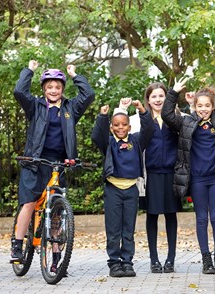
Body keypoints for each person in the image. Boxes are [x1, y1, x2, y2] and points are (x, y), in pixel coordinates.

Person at [11, 60, 95, 268]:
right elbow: (19, 91)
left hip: (58, 163)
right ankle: (17, 244)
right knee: (29, 203)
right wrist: (29, 70)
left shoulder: (70, 108)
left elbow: (88, 96)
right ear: (44, 89)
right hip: (35, 161)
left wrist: (75, 75)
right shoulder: (36, 106)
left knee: (57, 210)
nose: (54, 90)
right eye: (49, 86)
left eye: (58, 87)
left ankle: (57, 256)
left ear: (62, 89)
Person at [161, 77, 215, 275]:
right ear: (194, 107)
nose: (203, 109)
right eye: (200, 105)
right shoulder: (187, 123)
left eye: (207, 105)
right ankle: (206, 259)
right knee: (201, 219)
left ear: (213, 107)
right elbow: (167, 115)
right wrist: (173, 92)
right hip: (197, 179)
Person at [91, 99, 154, 278]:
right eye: (116, 125)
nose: (120, 128)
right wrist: (103, 117)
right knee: (113, 230)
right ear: (111, 128)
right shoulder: (109, 143)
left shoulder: (136, 140)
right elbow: (97, 136)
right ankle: (114, 264)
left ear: (129, 126)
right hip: (113, 190)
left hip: (131, 190)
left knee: (128, 229)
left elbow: (149, 130)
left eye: (124, 125)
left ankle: (127, 262)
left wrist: (142, 110)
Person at [129, 82, 183, 273]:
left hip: (171, 174)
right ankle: (154, 259)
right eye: (154, 96)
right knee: (152, 216)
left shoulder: (176, 118)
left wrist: (192, 105)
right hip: (150, 174)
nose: (158, 99)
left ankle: (170, 259)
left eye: (161, 96)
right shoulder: (139, 120)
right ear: (148, 100)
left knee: (171, 215)